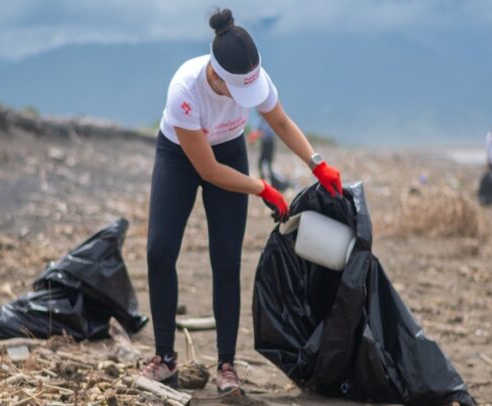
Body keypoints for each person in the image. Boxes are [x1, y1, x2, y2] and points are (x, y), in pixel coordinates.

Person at [143, 9, 343, 395]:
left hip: (231, 151)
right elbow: (208, 170)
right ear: (216, 75)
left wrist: (317, 164)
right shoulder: (185, 90)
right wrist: (262, 187)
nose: (246, 98)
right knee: (159, 251)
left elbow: (281, 122)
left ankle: (226, 365)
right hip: (180, 157)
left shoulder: (254, 78)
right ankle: (165, 358)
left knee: (226, 259)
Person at [247, 112, 288, 191]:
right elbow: (255, 131)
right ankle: (263, 181)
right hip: (264, 143)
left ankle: (273, 184)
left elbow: (267, 132)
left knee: (267, 164)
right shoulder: (260, 120)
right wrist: (253, 137)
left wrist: (257, 135)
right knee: (261, 163)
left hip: (269, 143)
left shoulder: (268, 119)